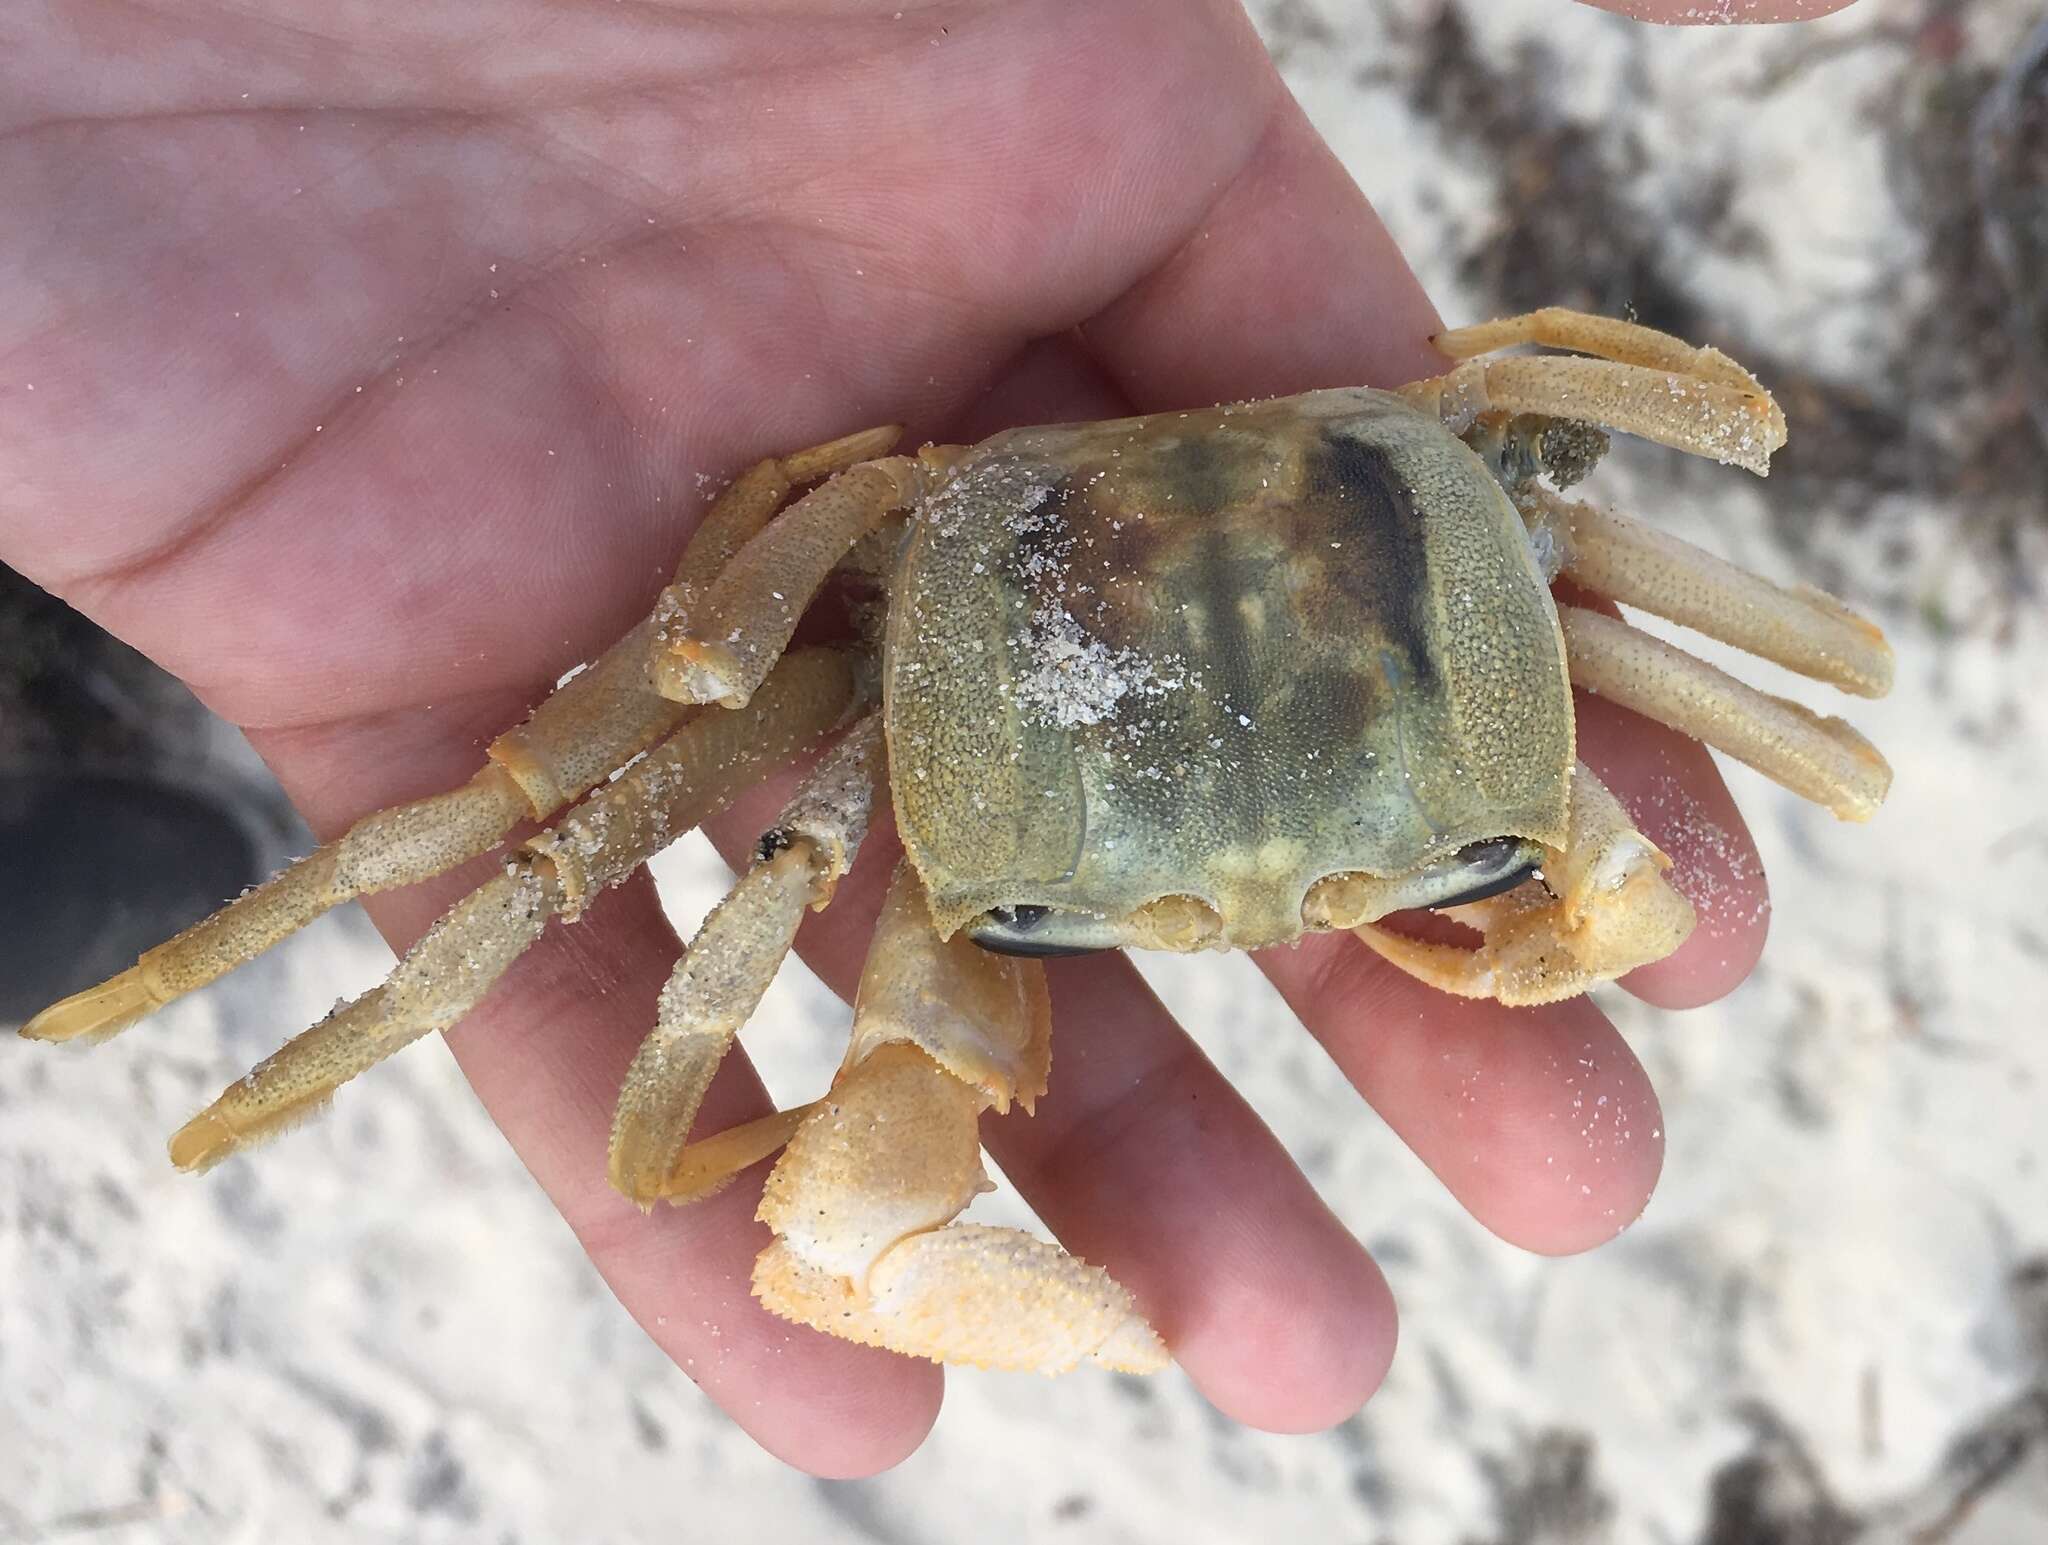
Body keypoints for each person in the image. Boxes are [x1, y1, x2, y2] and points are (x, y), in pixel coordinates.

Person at [0, 0, 1858, 1476]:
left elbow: (1769, 529)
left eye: (1414, 865)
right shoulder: (856, 607)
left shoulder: (1492, 478)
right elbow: (628, 748)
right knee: (522, 840)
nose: (1252, 919)